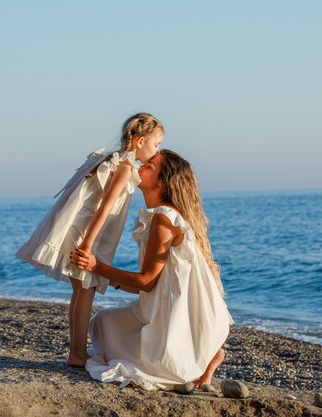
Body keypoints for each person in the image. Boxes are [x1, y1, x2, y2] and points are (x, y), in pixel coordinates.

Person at [70, 149, 233, 390]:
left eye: (150, 165)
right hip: (174, 314)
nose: (141, 166)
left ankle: (201, 356)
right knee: (102, 322)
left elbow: (146, 281)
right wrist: (105, 276)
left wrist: (98, 266)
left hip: (174, 320)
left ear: (162, 182)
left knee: (149, 364)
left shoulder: (163, 218)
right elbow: (154, 286)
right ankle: (202, 353)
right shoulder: (160, 217)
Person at [16, 113, 164, 368]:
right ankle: (77, 353)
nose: (157, 150)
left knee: (80, 291)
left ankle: (76, 350)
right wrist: (87, 246)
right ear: (140, 141)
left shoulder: (112, 159)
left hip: (83, 230)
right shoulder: (126, 167)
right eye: (156, 144)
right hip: (91, 235)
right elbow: (104, 208)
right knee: (86, 290)